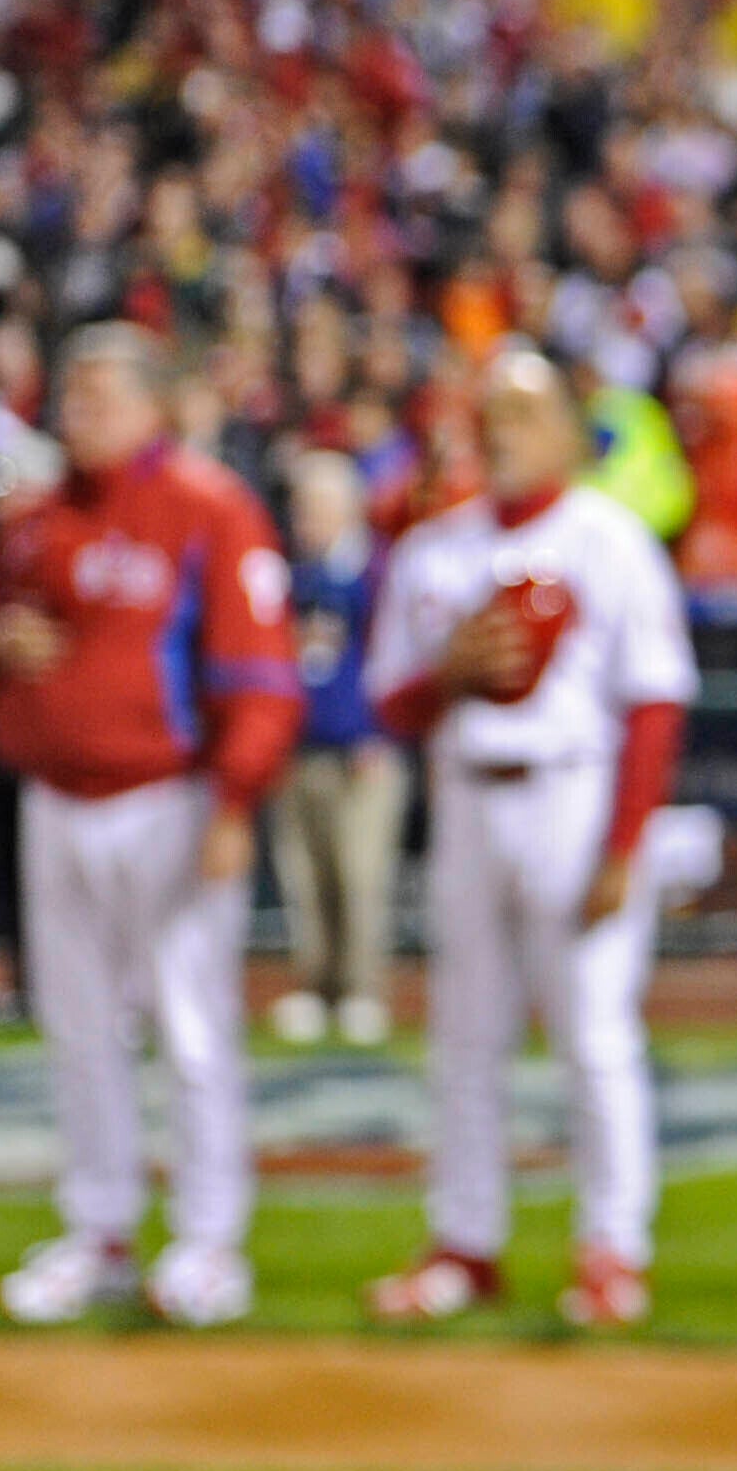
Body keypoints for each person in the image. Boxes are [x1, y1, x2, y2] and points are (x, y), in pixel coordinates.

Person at [0, 324, 303, 1329]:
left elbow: (260, 676)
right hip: (55, 798)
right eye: (73, 395)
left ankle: (209, 1241)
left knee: (191, 1030)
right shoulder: (34, 518)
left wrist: (235, 799)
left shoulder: (208, 507)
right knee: (77, 1029)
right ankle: (100, 1231)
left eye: (103, 395)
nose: (82, 413)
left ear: (158, 405)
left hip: (169, 800)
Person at [360, 345, 698, 1331]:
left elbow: (655, 703)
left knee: (594, 1035)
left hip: (574, 795)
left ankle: (613, 1251)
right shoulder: (433, 549)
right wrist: (449, 674)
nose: (501, 434)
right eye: (490, 417)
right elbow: (390, 704)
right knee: (464, 1038)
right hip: (468, 797)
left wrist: (624, 846)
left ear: (564, 430)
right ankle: (465, 1243)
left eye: (522, 414)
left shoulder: (610, 539)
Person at [269, 446, 404, 1050]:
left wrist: (377, 730)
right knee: (305, 877)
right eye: (302, 508)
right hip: (299, 747)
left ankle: (362, 989)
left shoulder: (378, 573)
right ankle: (316, 986)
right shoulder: (289, 574)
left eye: (319, 508)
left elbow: (396, 660)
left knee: (360, 876)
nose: (307, 521)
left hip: (361, 751)